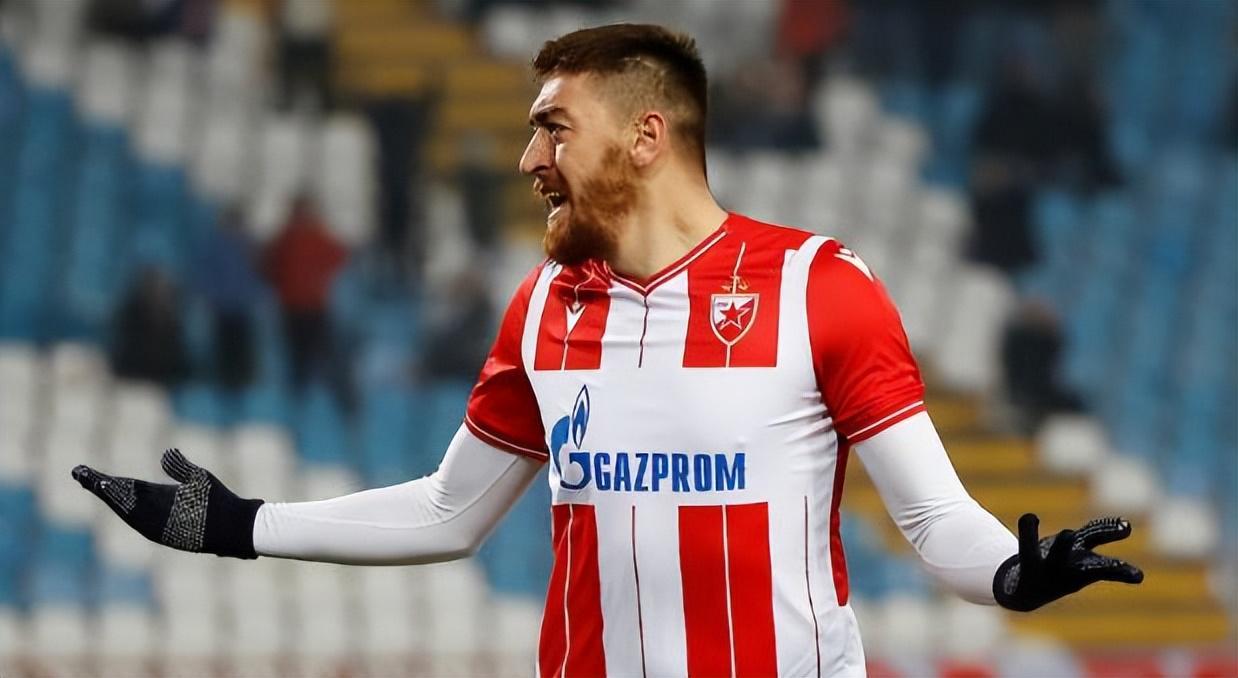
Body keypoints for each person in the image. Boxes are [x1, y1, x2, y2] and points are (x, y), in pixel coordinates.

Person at [73, 24, 1142, 677]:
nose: (529, 158)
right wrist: (240, 526)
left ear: (645, 137)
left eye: (554, 128)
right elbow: (449, 512)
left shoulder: (816, 286)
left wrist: (1011, 573)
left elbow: (933, 520)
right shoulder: (544, 304)